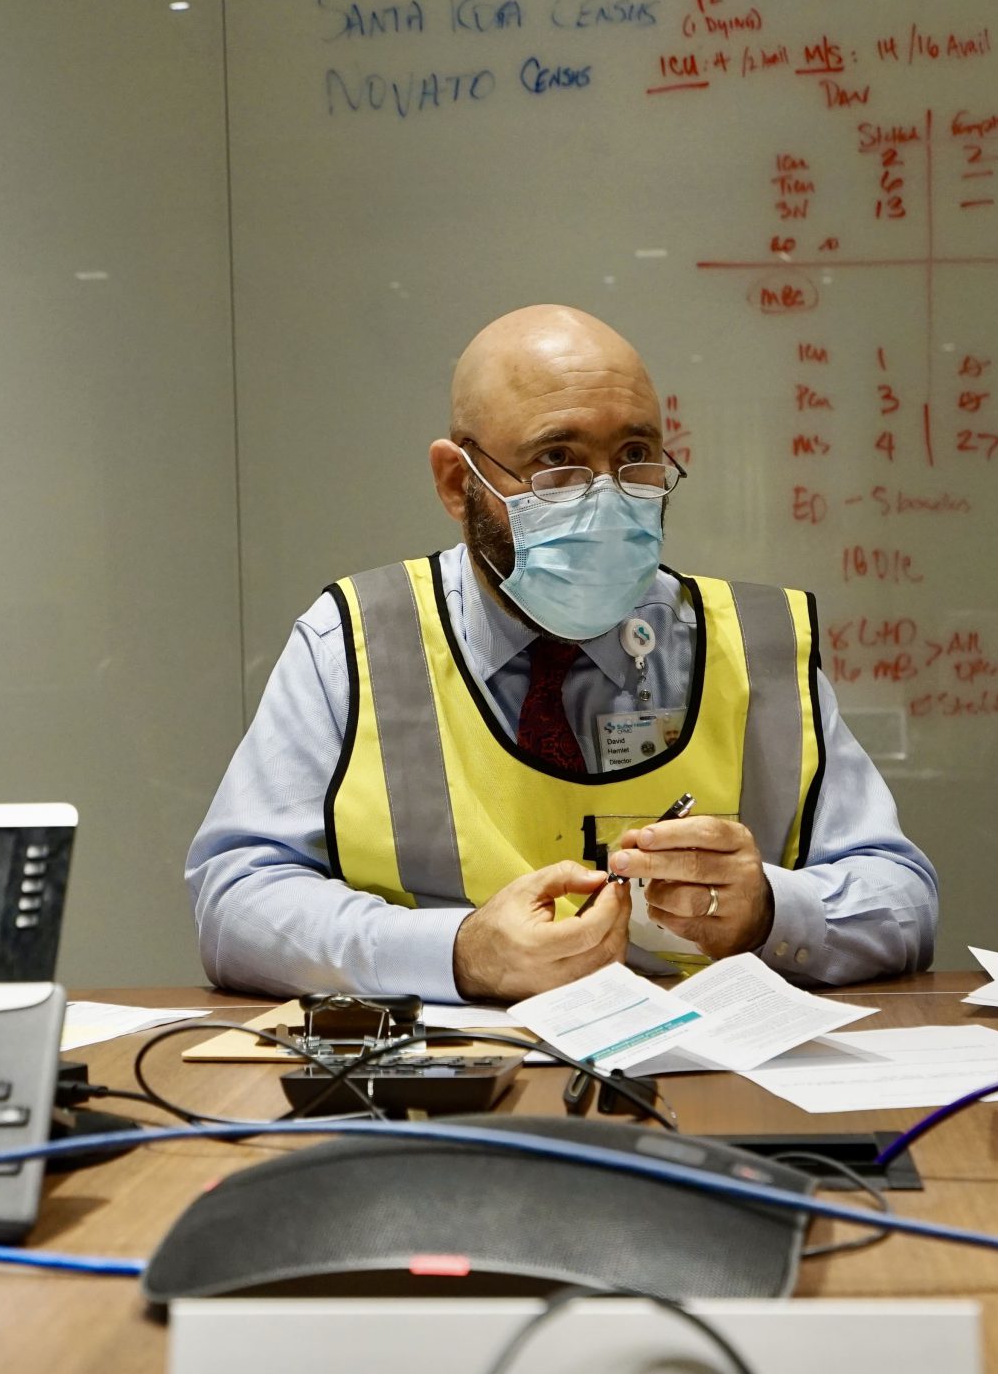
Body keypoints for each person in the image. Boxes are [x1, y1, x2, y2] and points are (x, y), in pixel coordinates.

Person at [188, 304, 938, 1000]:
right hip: (450, 1099)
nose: (607, 497)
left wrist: (772, 910)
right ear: (458, 481)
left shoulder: (757, 643)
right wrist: (459, 951)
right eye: (558, 461)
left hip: (713, 1084)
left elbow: (902, 895)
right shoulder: (354, 643)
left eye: (637, 454)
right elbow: (236, 901)